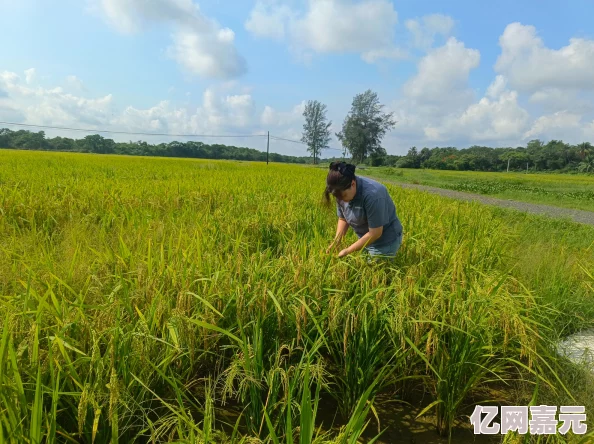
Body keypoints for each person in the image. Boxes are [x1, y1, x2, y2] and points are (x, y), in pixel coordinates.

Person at [324, 161, 403, 260]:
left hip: (384, 241)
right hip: (365, 238)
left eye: (343, 196)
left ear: (353, 184)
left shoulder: (373, 195)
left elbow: (375, 233)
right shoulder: (340, 191)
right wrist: (337, 242)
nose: (341, 200)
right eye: (338, 197)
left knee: (375, 271)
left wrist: (348, 251)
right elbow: (343, 219)